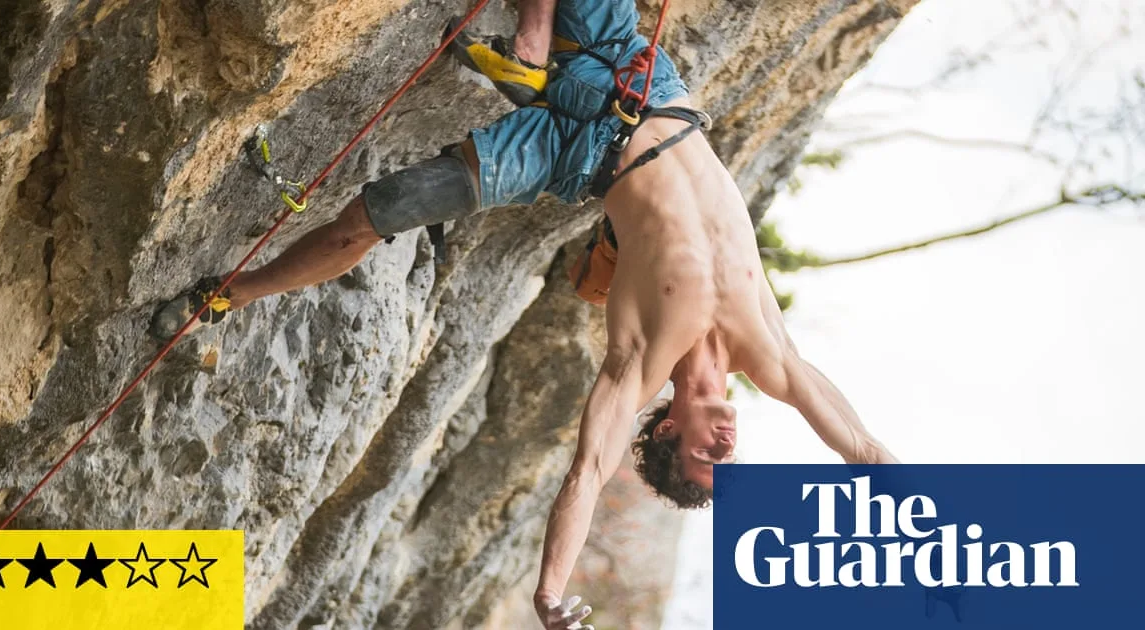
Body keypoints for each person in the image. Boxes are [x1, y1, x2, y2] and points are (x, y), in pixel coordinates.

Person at [150, 1, 898, 627]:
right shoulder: (769, 353)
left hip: (569, 151)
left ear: (670, 431)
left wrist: (548, 591)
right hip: (642, 84)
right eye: (727, 460)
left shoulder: (638, 364)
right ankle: (529, 56)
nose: (728, 445)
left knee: (375, 216)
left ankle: (235, 291)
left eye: (708, 457)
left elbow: (588, 470)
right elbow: (863, 451)